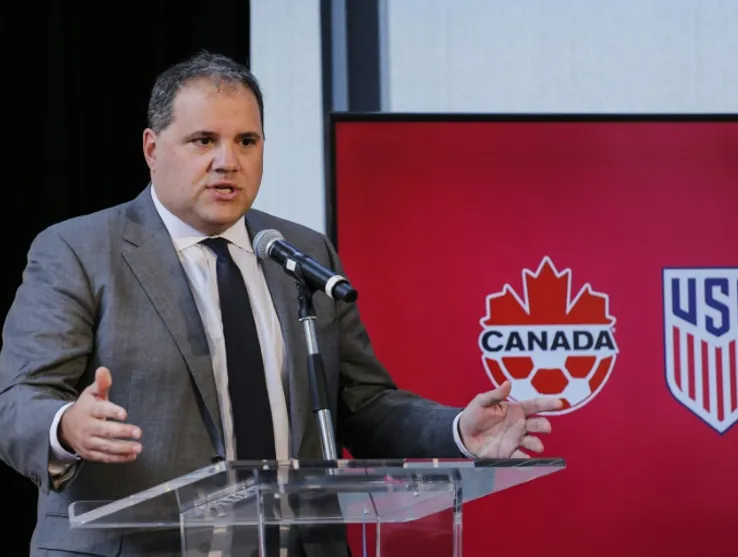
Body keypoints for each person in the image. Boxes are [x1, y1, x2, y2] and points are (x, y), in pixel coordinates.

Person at [0, 51, 561, 557]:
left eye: (247, 141)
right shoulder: (78, 250)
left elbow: (362, 404)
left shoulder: (299, 252)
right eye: (203, 141)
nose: (228, 161)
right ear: (152, 148)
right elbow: (18, 403)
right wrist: (66, 427)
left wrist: (458, 430)